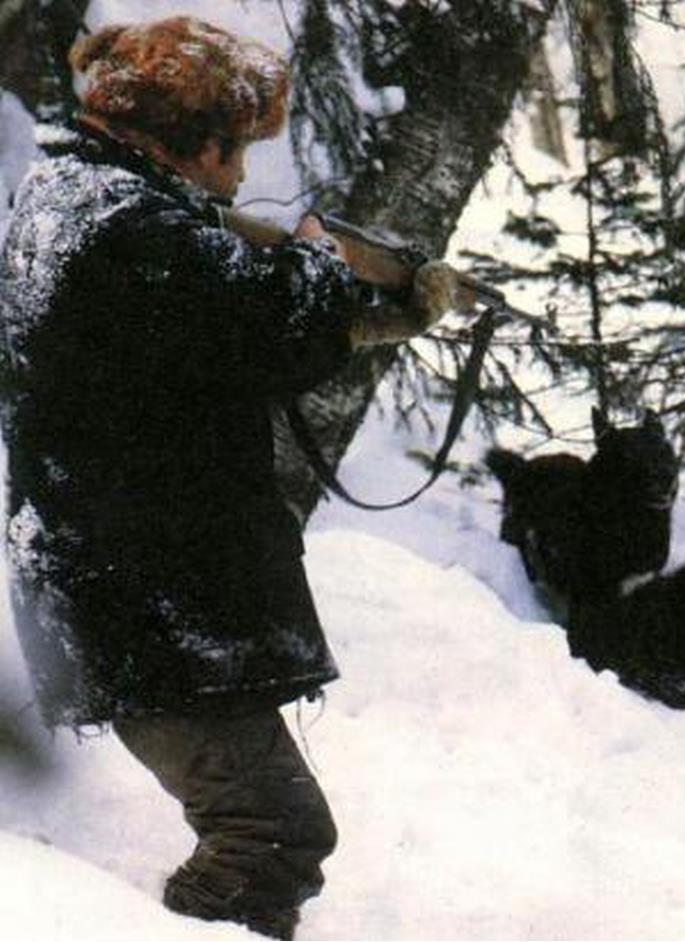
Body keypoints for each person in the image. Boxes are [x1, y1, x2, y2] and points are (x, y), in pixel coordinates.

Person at [0, 16, 452, 939]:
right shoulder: (129, 227)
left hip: (133, 588)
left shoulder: (74, 199)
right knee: (269, 837)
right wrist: (326, 257)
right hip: (151, 599)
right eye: (236, 148)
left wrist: (353, 310)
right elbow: (262, 324)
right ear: (189, 138)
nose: (242, 174)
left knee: (272, 832)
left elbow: (213, 337)